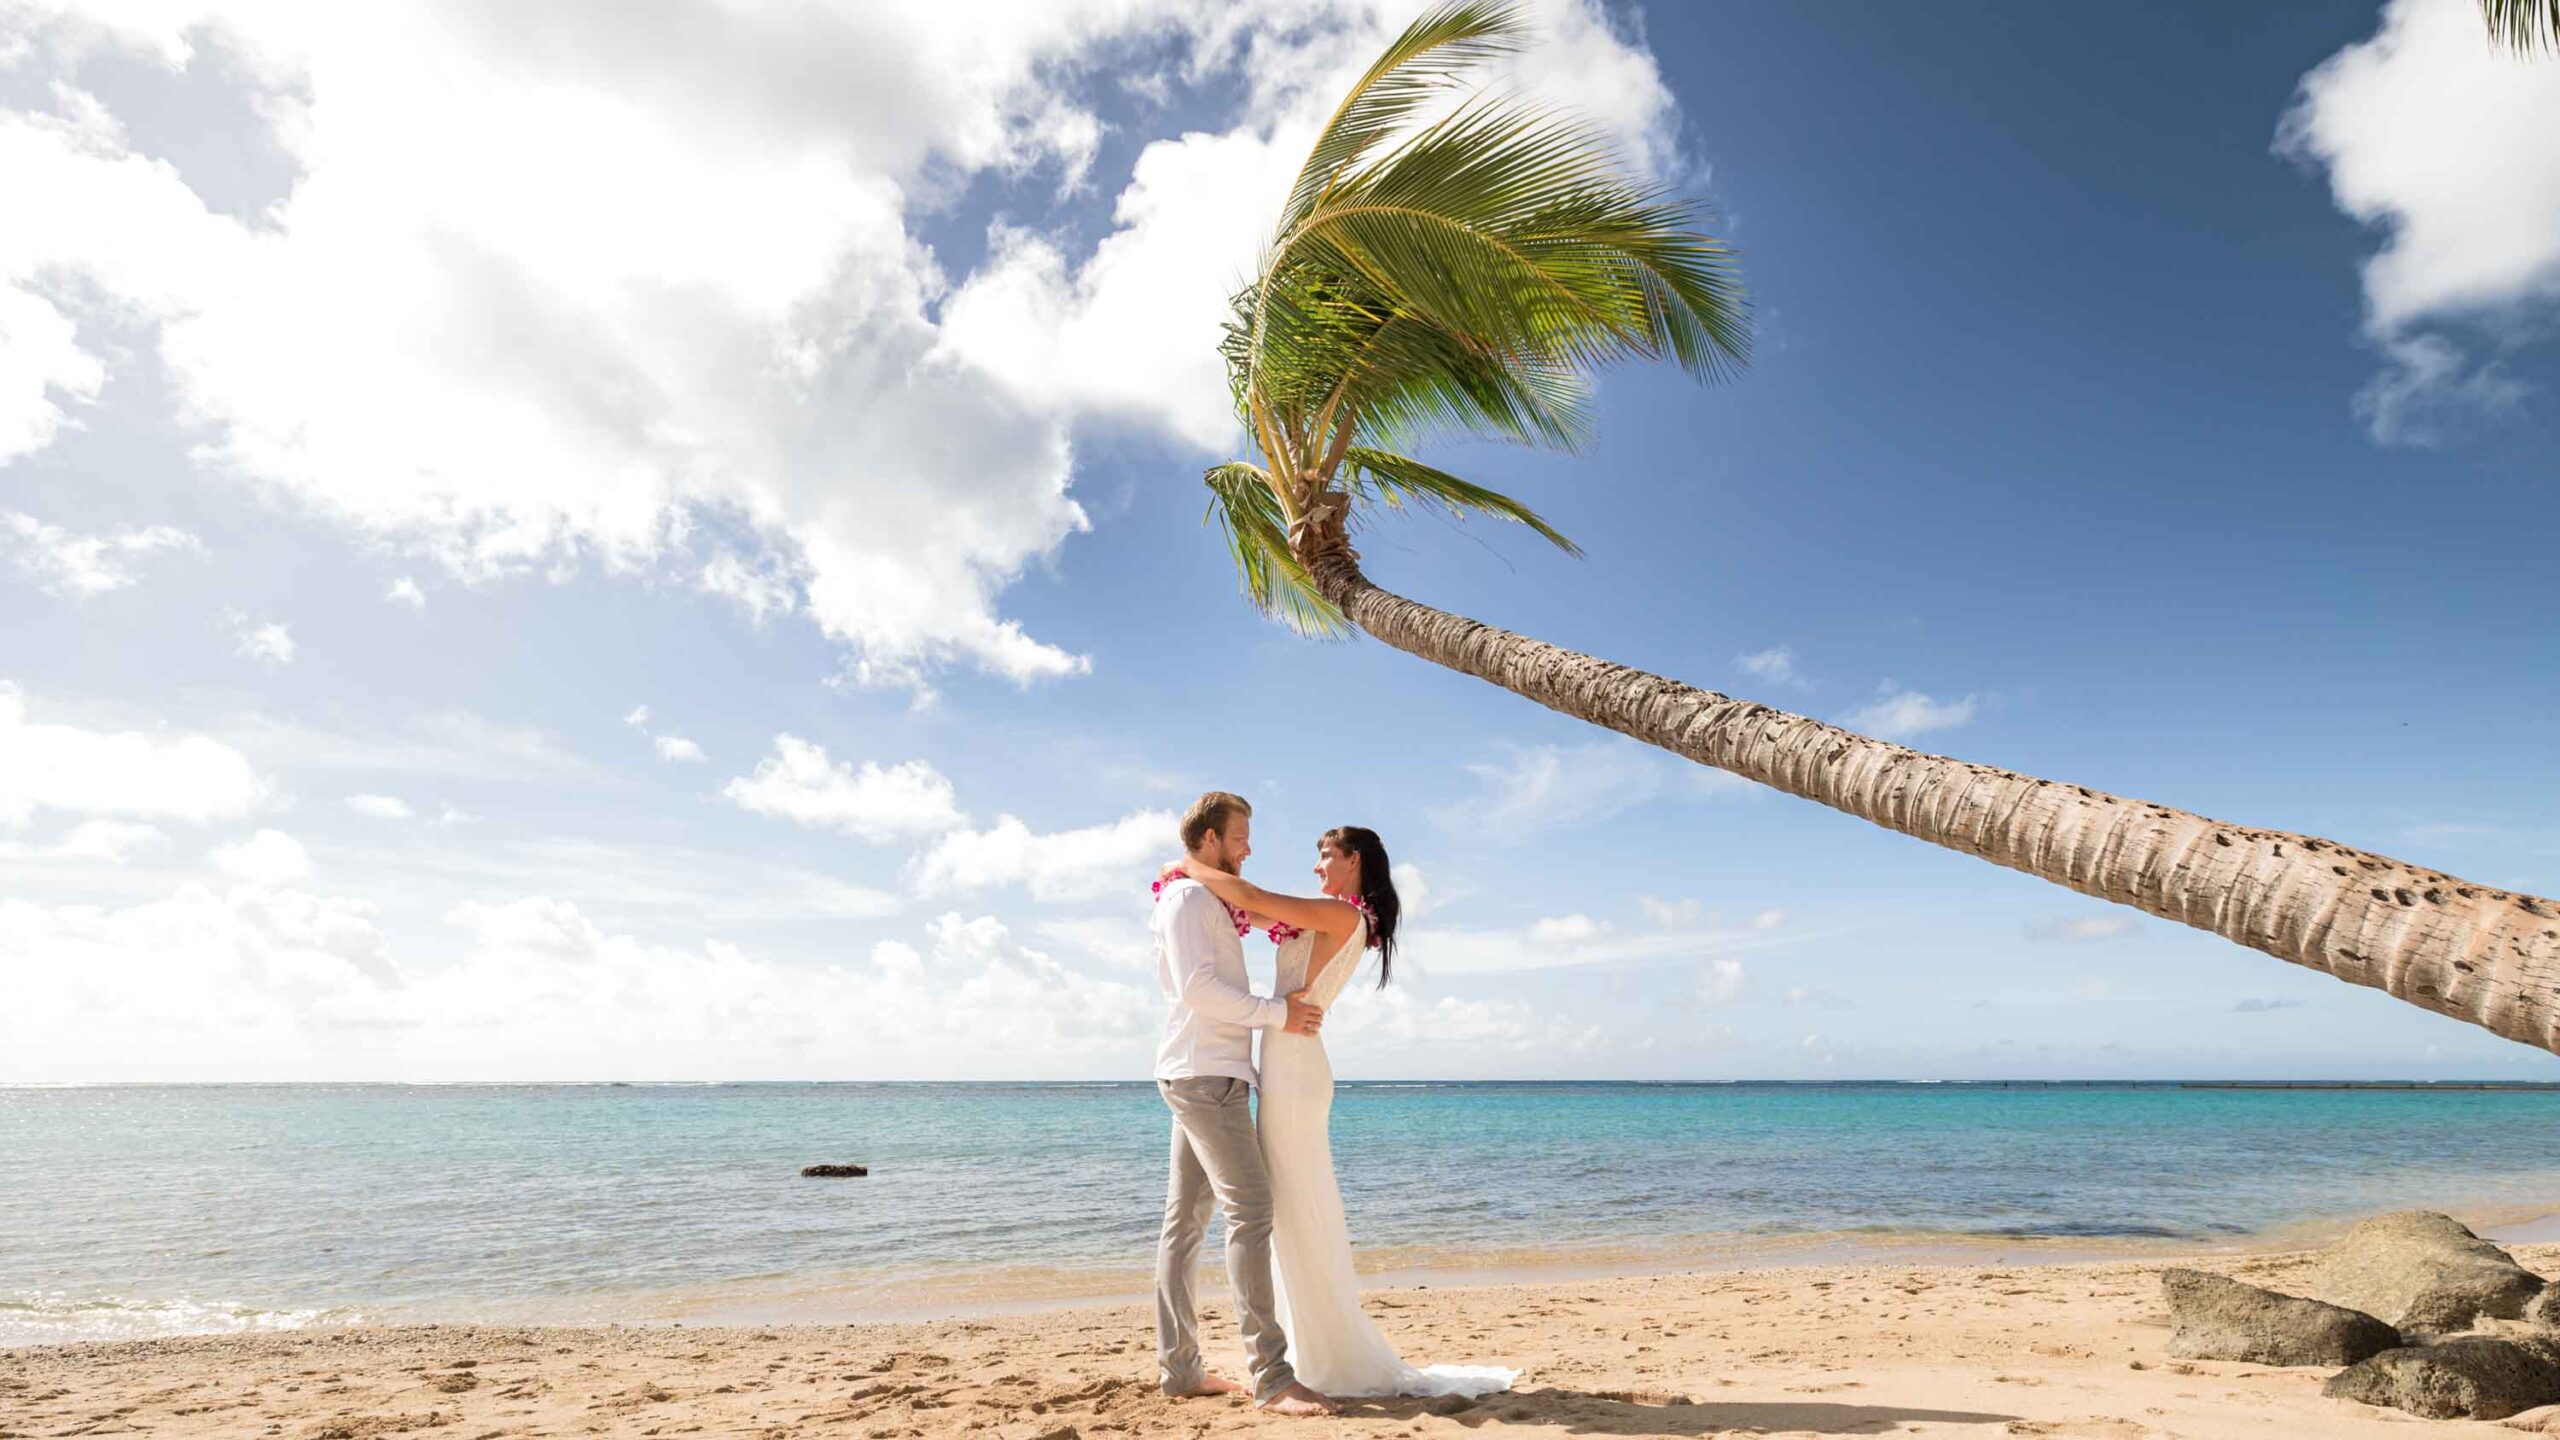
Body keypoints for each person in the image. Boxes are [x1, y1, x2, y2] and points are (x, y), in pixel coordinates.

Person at [1169, 823, 1518, 1400]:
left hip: (1294, 1069)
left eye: (1326, 855)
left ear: (1354, 861)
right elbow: (1249, 912)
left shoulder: (1341, 916)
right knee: (1291, 1207)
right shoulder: (1325, 916)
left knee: (1293, 1205)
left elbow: (1251, 897)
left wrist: (1182, 866)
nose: (1317, 866)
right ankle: (1304, 1347)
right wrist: (1200, 887)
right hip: (1288, 1063)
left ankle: (1320, 1353)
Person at [1149, 790, 1337, 1417]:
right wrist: (1279, 1015)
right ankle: (1273, 1379)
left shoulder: (1207, 896)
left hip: (1208, 1072)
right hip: (1205, 1076)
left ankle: (1180, 1372)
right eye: (1239, 837)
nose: (1248, 848)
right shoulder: (1185, 899)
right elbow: (1197, 989)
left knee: (1185, 1225)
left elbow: (1262, 915)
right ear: (1209, 839)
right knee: (1252, 1212)